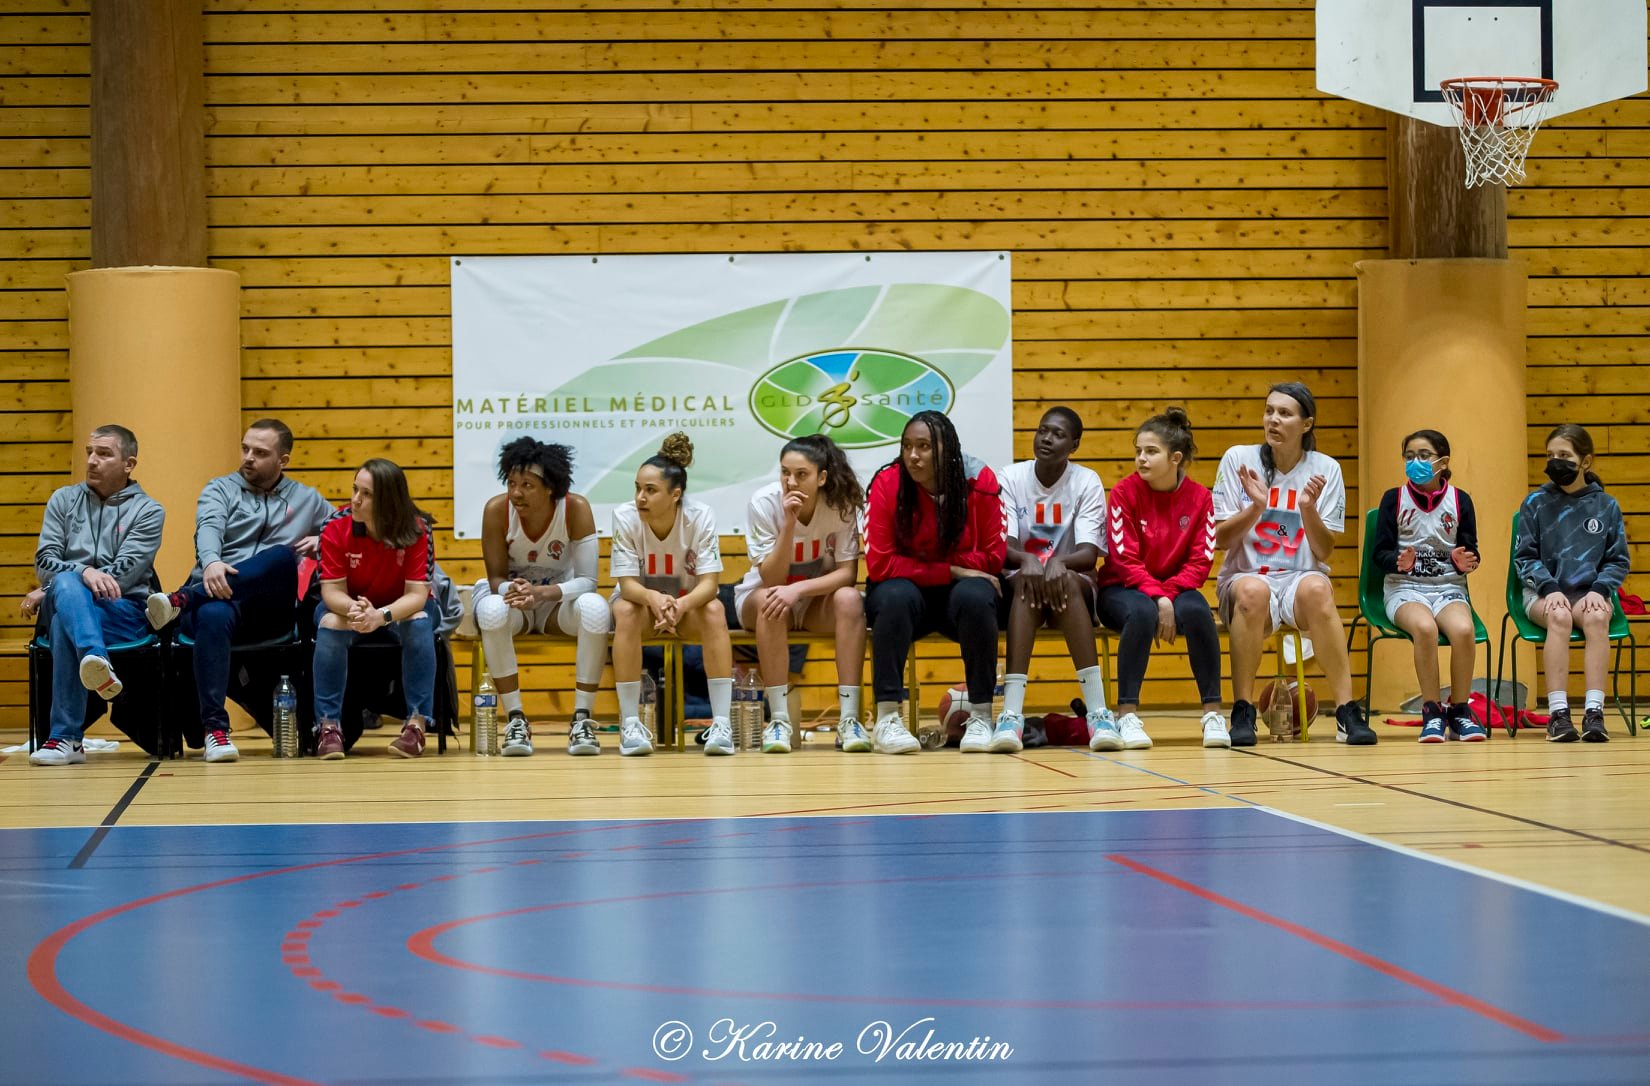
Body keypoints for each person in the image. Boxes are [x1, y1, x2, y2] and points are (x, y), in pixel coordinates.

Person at [144, 419, 332, 762]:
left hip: (268, 612)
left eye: (260, 453)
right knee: (213, 614)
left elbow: (346, 528)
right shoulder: (220, 489)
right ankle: (215, 730)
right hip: (218, 597)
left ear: (283, 460)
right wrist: (212, 561)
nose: (248, 458)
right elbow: (209, 527)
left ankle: (183, 598)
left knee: (280, 557)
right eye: (245, 449)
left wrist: (324, 540)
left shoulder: (308, 499)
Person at [1212, 383, 1374, 746]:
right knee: (1252, 592)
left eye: (1284, 413)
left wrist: (1308, 509)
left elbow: (1324, 549)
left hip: (1300, 577)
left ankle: (1347, 711)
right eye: (1269, 411)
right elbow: (1221, 539)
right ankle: (1242, 709)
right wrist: (1255, 507)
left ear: (1306, 424)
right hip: (1245, 577)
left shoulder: (1325, 470)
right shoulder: (1239, 459)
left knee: (1318, 588)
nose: (1273, 419)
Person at [864, 410, 1006, 754]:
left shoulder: (979, 481)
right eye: (908, 446)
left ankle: (981, 715)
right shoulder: (888, 482)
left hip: (958, 600)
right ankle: (887, 718)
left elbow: (993, 556)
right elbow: (880, 563)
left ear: (947, 450)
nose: (913, 456)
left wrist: (938, 569)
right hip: (909, 597)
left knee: (977, 594)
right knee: (892, 595)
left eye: (924, 446)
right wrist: (952, 570)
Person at [24, 426, 164, 766]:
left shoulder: (148, 511)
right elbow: (44, 562)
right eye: (89, 451)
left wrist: (57, 584)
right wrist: (82, 572)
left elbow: (124, 575)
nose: (92, 460)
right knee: (70, 586)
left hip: (122, 610)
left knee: (63, 622)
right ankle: (95, 659)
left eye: (104, 454)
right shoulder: (63, 500)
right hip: (71, 600)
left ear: (128, 464)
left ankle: (66, 739)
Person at [1093, 408, 1227, 748]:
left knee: (1198, 613)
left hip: (1176, 588)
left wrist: (1167, 594)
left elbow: (1200, 562)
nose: (1141, 458)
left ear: (1175, 458)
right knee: (1141, 612)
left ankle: (1213, 714)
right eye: (1138, 450)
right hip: (1121, 588)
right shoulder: (1124, 493)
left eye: (1150, 451)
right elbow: (1125, 560)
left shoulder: (1200, 498)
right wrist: (1159, 597)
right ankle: (1127, 715)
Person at [988, 406, 1115, 753]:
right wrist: (1032, 560)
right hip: (1024, 585)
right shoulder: (1010, 478)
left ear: (1073, 445)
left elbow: (1089, 554)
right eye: (1043, 430)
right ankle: (1011, 716)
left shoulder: (1086, 480)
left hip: (1070, 588)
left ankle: (1099, 714)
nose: (1046, 438)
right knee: (1028, 587)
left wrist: (1057, 563)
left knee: (1070, 583)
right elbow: (1004, 548)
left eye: (1057, 434)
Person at [472, 438, 609, 757]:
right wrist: (515, 591)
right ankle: (516, 720)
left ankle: (582, 719)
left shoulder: (575, 508)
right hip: (513, 601)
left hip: (554, 601)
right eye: (512, 483)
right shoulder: (497, 510)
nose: (516, 492)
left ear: (551, 488)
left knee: (596, 609)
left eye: (527, 485)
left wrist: (543, 593)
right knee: (491, 611)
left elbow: (589, 581)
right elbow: (495, 579)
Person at [734, 435, 868, 754]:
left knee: (850, 599)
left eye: (801, 474)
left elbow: (848, 573)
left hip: (810, 600)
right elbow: (771, 577)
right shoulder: (764, 503)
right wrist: (789, 524)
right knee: (772, 601)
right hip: (762, 597)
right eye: (784, 473)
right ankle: (779, 720)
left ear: (822, 477)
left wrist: (799, 589)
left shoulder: (840, 505)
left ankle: (849, 720)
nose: (790, 482)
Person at [609, 433, 735, 756]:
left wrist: (680, 605)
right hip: (642, 608)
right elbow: (627, 586)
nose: (640, 497)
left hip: (685, 608)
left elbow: (709, 584)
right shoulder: (625, 517)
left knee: (715, 611)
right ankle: (630, 724)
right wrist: (654, 599)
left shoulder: (700, 517)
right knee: (624, 610)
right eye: (637, 488)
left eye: (650, 490)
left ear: (676, 494)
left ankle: (721, 724)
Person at [310, 459, 435, 759]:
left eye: (366, 494)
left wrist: (381, 615)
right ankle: (328, 727)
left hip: (397, 607)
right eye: (355, 490)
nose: (355, 499)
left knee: (419, 621)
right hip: (349, 606)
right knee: (330, 623)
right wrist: (356, 610)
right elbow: (331, 592)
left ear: (388, 500)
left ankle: (417, 725)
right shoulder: (336, 526)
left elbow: (417, 595)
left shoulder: (417, 529)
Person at [1514, 423, 1630, 742]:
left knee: (1595, 618)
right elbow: (1524, 557)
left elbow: (1618, 560)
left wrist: (1600, 589)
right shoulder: (1534, 504)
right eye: (1551, 455)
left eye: (1564, 455)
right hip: (1542, 591)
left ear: (1585, 462)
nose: (1556, 461)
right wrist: (1548, 588)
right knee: (1559, 617)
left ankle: (1595, 713)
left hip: (1588, 591)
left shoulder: (1606, 506)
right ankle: (1558, 714)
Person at [1373, 429, 1488, 742]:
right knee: (1425, 628)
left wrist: (1469, 559)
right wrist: (1398, 560)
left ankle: (1461, 710)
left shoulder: (1460, 500)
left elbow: (1470, 550)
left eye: (1423, 456)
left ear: (1442, 461)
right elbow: (1378, 554)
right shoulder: (1393, 499)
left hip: (1448, 588)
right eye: (1409, 457)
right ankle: (1432, 710)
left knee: (1463, 630)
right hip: (1404, 588)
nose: (1415, 462)